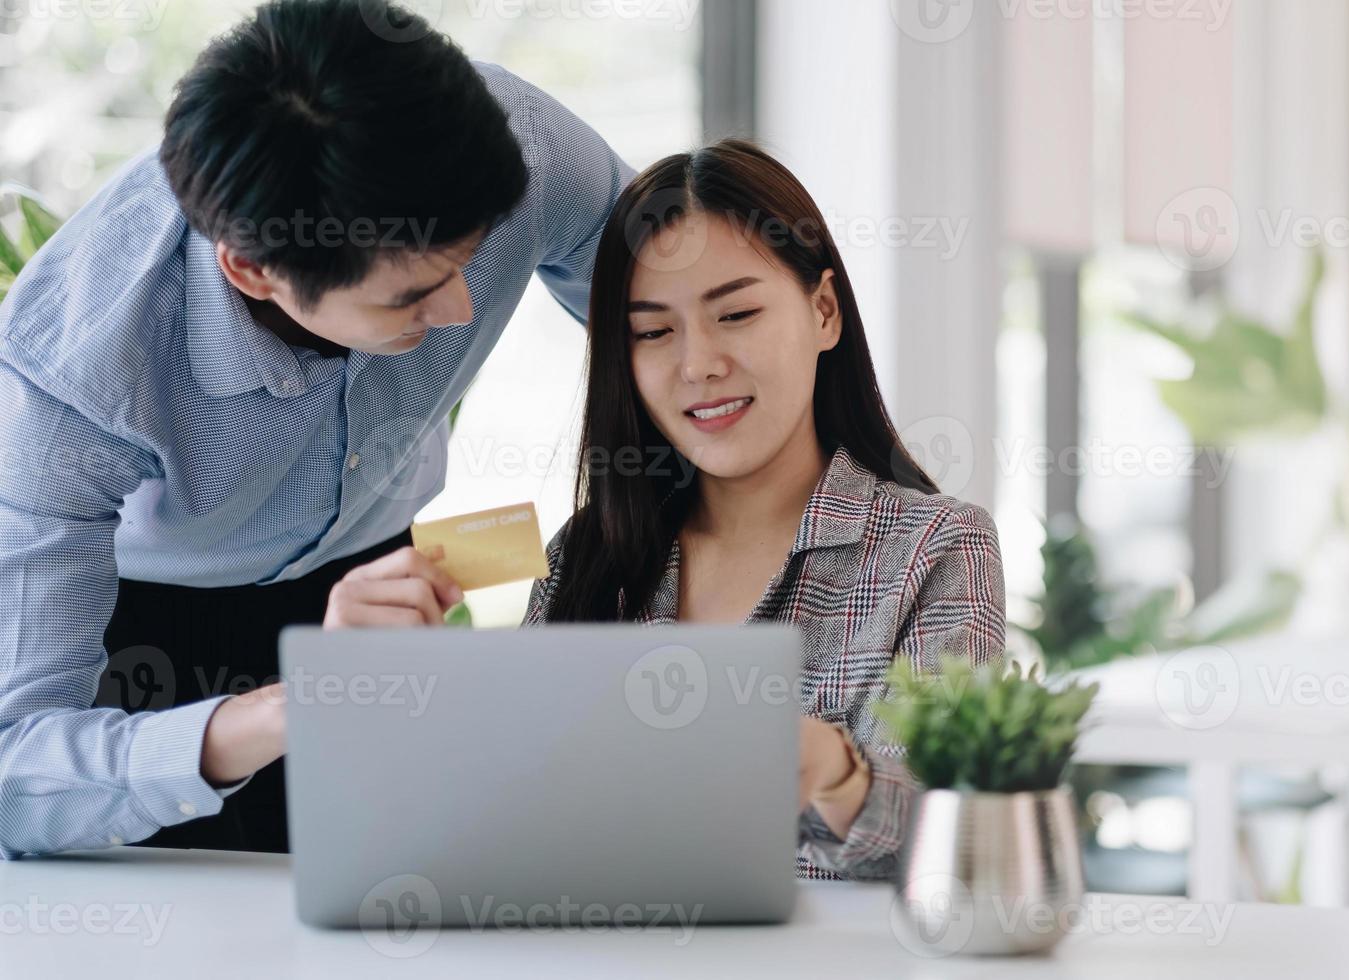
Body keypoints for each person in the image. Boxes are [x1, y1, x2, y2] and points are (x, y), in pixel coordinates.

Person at [0, 0, 632, 858]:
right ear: (254, 272)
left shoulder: (517, 142)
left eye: (469, 256)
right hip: (154, 631)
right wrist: (300, 700)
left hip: (379, 572)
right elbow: (17, 777)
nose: (463, 309)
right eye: (410, 295)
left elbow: (667, 296)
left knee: (407, 885)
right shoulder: (70, 382)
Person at [326, 140, 1008, 880]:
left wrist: (838, 776)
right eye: (653, 331)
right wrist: (380, 683)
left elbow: (964, 843)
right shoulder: (583, 556)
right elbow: (492, 834)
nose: (698, 364)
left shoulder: (936, 548)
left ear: (823, 311)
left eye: (737, 313)